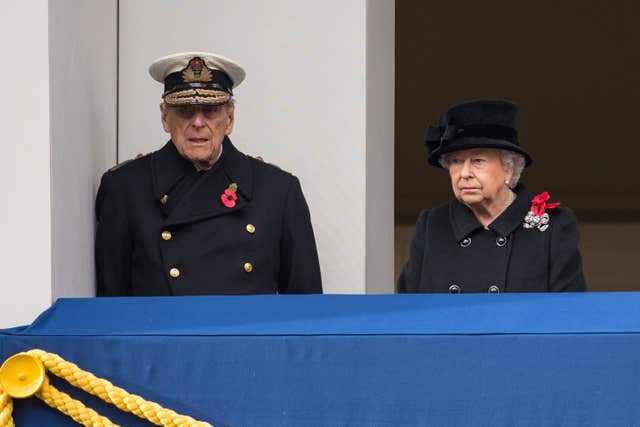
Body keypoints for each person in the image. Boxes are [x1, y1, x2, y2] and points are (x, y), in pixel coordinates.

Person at [95, 51, 322, 296]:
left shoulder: (278, 191)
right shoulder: (125, 188)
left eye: (210, 111)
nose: (198, 123)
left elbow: (306, 315)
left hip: (246, 334)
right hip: (162, 334)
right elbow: (111, 312)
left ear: (230, 118)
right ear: (165, 117)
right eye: (185, 111)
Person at [398, 99, 586, 293]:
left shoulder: (553, 226)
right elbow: (406, 310)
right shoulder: (432, 225)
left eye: (478, 161)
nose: (464, 173)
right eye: (456, 161)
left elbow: (568, 312)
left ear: (509, 169)